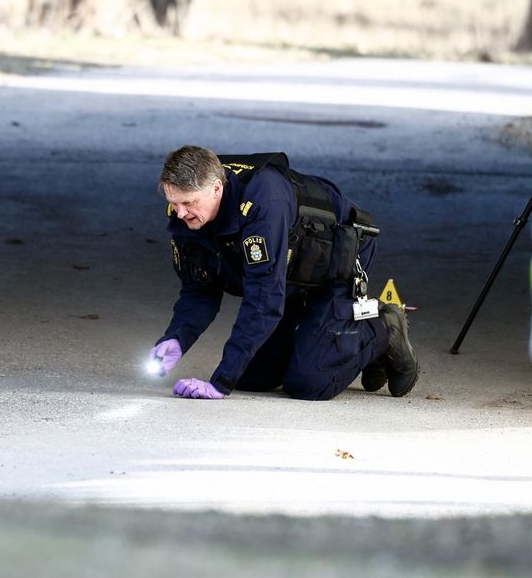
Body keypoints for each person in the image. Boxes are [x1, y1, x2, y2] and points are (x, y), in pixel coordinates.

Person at [148, 145, 418, 400]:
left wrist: (220, 384)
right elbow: (199, 289)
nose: (180, 213)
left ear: (216, 188)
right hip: (290, 273)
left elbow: (264, 300)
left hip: (336, 261)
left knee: (307, 383)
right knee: (251, 378)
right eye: (174, 202)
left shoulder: (263, 204)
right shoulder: (188, 214)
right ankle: (333, 344)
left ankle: (382, 326)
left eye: (188, 202)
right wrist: (176, 338)